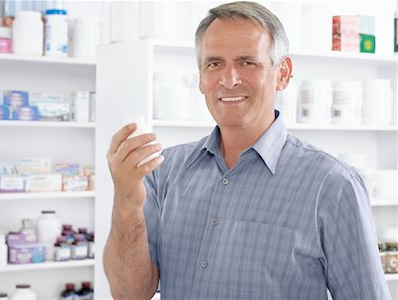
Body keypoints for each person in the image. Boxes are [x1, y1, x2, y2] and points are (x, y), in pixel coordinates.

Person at [103, 2, 391, 299]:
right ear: (201, 78)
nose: (229, 80)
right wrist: (126, 201)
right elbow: (129, 294)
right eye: (214, 64)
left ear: (283, 74)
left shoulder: (332, 185)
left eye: (247, 62)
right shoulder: (163, 171)